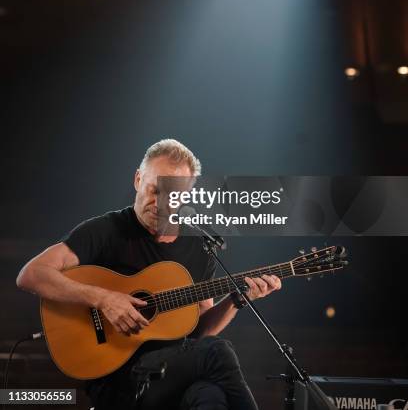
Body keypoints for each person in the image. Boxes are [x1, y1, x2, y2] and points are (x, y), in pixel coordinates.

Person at [16, 139, 282, 409]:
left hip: (173, 372)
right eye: (154, 189)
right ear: (138, 179)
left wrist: (236, 300)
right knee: (219, 352)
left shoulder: (200, 247)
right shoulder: (106, 231)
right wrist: (103, 299)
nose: (159, 203)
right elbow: (31, 274)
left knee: (209, 396)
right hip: (119, 379)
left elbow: (199, 330)